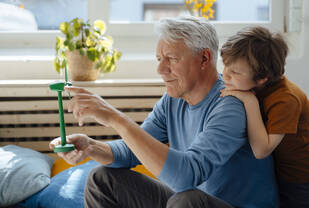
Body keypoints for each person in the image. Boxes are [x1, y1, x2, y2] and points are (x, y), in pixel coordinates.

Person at [50, 17, 279, 208]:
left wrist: (116, 119)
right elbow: (132, 152)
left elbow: (186, 177)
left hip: (225, 205)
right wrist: (91, 147)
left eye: (172, 59)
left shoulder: (230, 105)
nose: (160, 69)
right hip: (188, 202)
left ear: (204, 58)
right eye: (160, 59)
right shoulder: (173, 99)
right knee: (102, 179)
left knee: (186, 200)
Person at [219, 26, 309, 208]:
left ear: (262, 78)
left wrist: (248, 101)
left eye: (234, 72)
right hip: (283, 172)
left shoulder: (285, 99)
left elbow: (261, 150)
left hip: (306, 175)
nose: (225, 74)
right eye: (225, 64)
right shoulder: (254, 85)